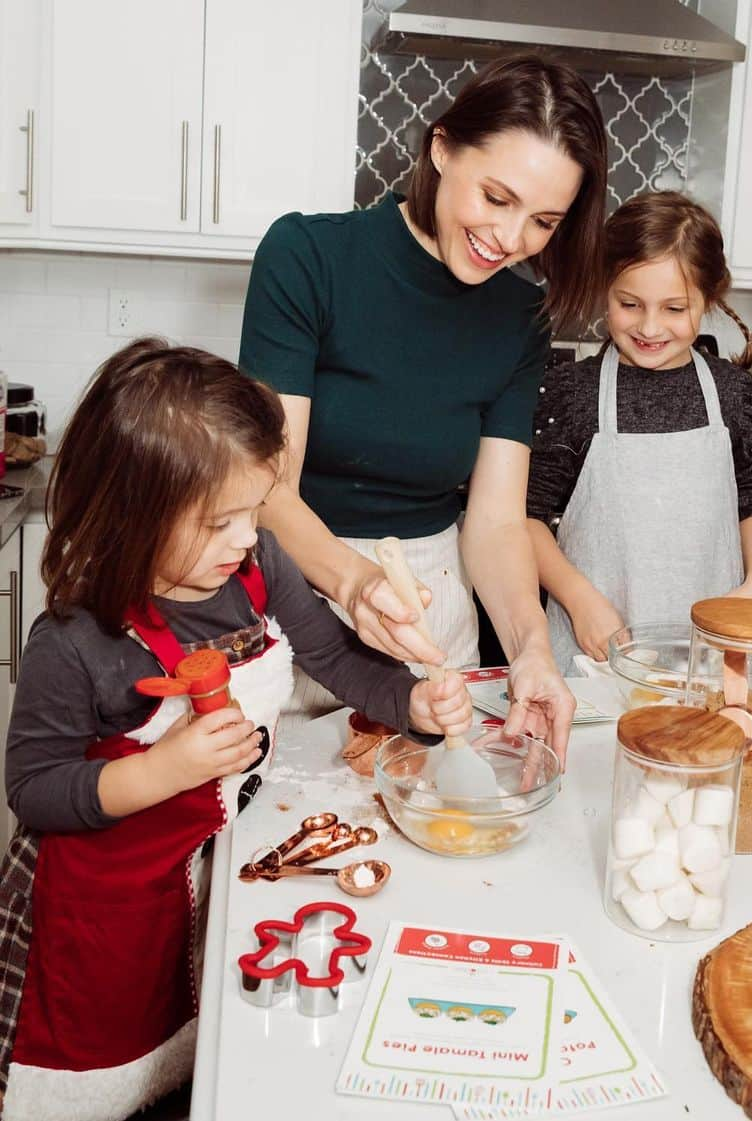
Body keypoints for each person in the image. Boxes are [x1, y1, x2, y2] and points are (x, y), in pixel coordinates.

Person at [0, 340, 471, 1121]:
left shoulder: (256, 568)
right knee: (105, 1074)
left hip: (202, 877)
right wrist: (162, 769)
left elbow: (331, 654)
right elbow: (34, 788)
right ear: (133, 510)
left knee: (197, 1053)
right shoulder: (76, 639)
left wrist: (411, 702)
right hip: (97, 916)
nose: (247, 537)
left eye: (254, 510)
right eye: (221, 521)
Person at [239, 54, 610, 758]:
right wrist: (355, 585)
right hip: (292, 595)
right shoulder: (307, 257)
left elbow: (497, 521)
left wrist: (533, 649)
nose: (510, 239)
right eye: (496, 198)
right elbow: (266, 491)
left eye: (543, 222)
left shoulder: (521, 317)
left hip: (434, 618)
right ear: (442, 147)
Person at [526, 191, 752, 671]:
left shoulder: (735, 395)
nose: (649, 326)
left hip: (710, 659)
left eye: (674, 309)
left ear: (709, 300)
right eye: (630, 304)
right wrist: (579, 600)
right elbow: (525, 519)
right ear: (606, 290)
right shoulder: (571, 395)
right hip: (594, 654)